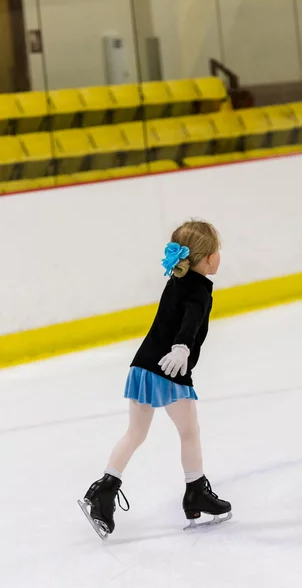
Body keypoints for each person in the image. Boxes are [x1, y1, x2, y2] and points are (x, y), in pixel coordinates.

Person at [78, 220, 232, 539]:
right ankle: (195, 491)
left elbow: (171, 316)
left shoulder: (176, 278)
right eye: (217, 250)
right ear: (209, 259)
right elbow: (189, 322)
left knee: (135, 433)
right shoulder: (200, 289)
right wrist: (181, 347)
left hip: (143, 365)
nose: (219, 255)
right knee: (189, 432)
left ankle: (103, 489)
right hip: (169, 370)